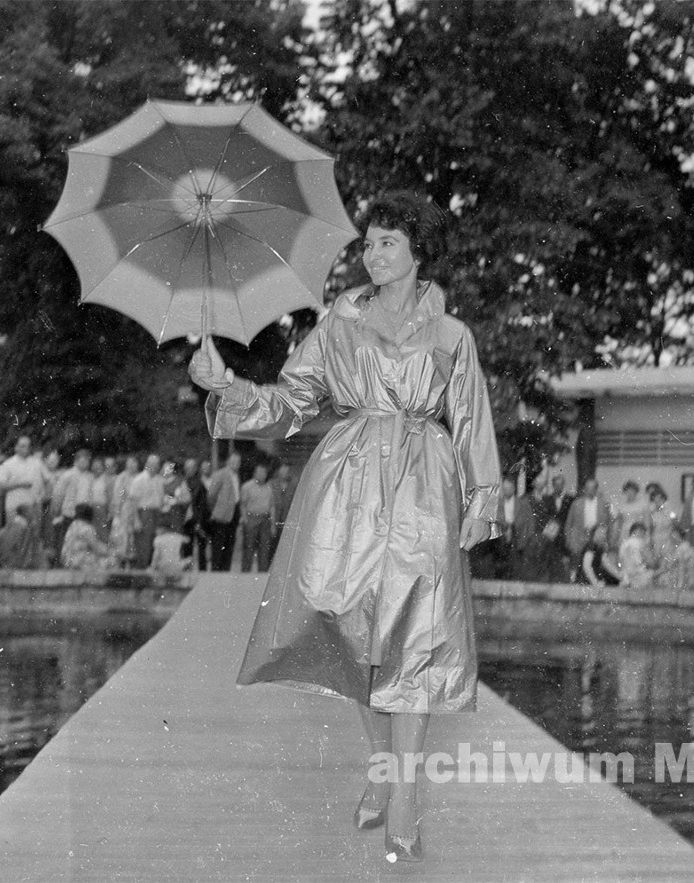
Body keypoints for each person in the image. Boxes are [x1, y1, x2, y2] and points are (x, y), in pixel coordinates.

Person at [189, 191, 501, 862]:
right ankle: (382, 766)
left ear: (419, 253)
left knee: (412, 637)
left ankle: (405, 794)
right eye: (369, 241)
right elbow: (293, 400)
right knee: (350, 629)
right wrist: (231, 386)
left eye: (388, 241)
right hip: (349, 483)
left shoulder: (452, 336)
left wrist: (483, 502)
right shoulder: (338, 322)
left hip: (422, 485)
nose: (373, 252)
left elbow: (472, 419)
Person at [564, 477, 611, 579]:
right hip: (578, 536)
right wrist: (568, 539)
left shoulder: (603, 504)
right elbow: (569, 523)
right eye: (587, 488)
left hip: (595, 536)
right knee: (576, 561)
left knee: (593, 561)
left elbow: (607, 523)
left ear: (596, 489)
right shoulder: (576, 503)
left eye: (592, 488)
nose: (590, 490)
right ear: (584, 489)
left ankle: (593, 580)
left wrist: (606, 540)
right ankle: (573, 580)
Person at [207, 451, 242, 571]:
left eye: (237, 462)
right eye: (233, 461)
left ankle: (225, 571)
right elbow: (211, 495)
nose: (235, 464)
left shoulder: (236, 476)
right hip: (220, 514)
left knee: (229, 544)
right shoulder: (220, 474)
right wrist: (216, 510)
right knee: (218, 546)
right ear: (228, 461)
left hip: (234, 513)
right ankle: (216, 573)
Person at [239, 461, 275, 573]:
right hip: (251, 519)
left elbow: (272, 506)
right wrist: (245, 520)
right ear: (255, 473)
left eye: (264, 473)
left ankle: (262, 574)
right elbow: (243, 505)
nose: (262, 475)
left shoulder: (269, 488)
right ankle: (245, 574)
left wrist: (273, 524)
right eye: (260, 472)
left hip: (265, 520)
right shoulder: (247, 487)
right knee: (249, 548)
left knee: (264, 549)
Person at [129, 454, 164, 568]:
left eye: (157, 464)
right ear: (147, 465)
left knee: (155, 544)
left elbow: (161, 499)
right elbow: (133, 501)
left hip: (156, 513)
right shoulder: (138, 480)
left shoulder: (159, 480)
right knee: (143, 545)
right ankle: (140, 574)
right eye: (152, 464)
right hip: (143, 513)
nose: (155, 467)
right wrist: (136, 520)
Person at [61, 503, 113, 570]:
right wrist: (110, 551)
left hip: (68, 560)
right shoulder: (87, 528)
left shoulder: (72, 526)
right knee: (108, 562)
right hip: (79, 561)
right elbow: (96, 546)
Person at [108, 456, 140, 567]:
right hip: (124, 511)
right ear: (126, 464)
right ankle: (119, 563)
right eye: (130, 463)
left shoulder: (139, 477)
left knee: (133, 540)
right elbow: (117, 497)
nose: (132, 465)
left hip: (137, 510)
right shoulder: (121, 478)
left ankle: (132, 563)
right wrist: (117, 513)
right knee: (121, 538)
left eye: (134, 463)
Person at [182, 457, 210, 570]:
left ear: (195, 469)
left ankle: (202, 574)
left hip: (197, 521)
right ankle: (188, 571)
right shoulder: (183, 482)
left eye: (191, 467)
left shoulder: (199, 484)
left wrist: (199, 522)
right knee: (187, 548)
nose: (189, 470)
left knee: (201, 549)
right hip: (187, 521)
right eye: (187, 467)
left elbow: (202, 505)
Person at [657, 523, 694, 592]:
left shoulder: (683, 548)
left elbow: (681, 568)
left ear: (677, 535)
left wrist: (680, 586)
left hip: (687, 581)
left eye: (673, 535)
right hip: (691, 581)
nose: (671, 538)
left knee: (663, 579)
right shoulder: (685, 547)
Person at [0, 503, 41, 569]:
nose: (34, 515)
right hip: (14, 567)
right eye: (31, 512)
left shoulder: (8, 528)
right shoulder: (20, 529)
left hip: (8, 566)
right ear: (26, 514)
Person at [150, 514, 193, 579]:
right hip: (177, 567)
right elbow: (188, 539)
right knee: (190, 559)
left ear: (162, 528)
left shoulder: (158, 539)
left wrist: (152, 567)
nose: (156, 531)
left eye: (157, 528)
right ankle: (187, 578)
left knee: (156, 563)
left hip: (163, 568)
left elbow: (156, 555)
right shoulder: (177, 536)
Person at [612, 480, 651, 550]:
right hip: (625, 533)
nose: (630, 493)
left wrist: (647, 536)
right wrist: (616, 536)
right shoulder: (622, 505)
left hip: (638, 532)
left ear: (636, 491)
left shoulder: (642, 504)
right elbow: (619, 523)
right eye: (628, 490)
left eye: (632, 490)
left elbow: (646, 521)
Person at [579, 524, 621, 588]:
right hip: (585, 582)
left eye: (604, 533)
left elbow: (607, 565)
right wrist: (595, 582)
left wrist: (621, 576)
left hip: (592, 582)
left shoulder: (600, 548)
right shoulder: (591, 546)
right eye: (600, 532)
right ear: (594, 533)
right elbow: (587, 566)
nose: (603, 535)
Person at [618, 522, 656, 589]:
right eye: (643, 532)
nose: (644, 535)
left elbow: (621, 560)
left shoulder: (624, 544)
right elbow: (640, 561)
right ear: (636, 531)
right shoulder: (639, 543)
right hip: (639, 577)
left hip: (626, 576)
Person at [269, 462, 297, 554]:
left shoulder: (293, 484)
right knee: (271, 546)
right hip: (273, 519)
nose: (284, 472)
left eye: (286, 470)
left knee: (284, 548)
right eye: (283, 470)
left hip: (287, 519)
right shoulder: (272, 483)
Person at [647, 483, 676, 564]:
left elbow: (674, 522)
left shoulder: (669, 509)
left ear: (663, 498)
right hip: (657, 537)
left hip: (668, 537)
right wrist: (650, 539)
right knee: (657, 558)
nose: (657, 501)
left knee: (668, 559)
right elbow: (651, 526)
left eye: (660, 498)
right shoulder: (652, 511)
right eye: (655, 498)